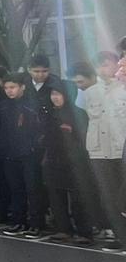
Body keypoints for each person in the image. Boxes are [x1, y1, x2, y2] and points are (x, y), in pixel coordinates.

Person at [77, 52, 126, 249]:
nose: (102, 70)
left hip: (121, 148)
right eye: (99, 66)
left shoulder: (123, 89)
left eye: (106, 65)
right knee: (109, 196)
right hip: (99, 150)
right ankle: (121, 237)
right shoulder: (89, 93)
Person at [43, 81, 96, 245]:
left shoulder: (79, 114)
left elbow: (83, 139)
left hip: (75, 163)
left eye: (59, 94)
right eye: (53, 94)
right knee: (56, 197)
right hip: (52, 160)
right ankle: (63, 229)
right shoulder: (48, 113)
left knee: (78, 199)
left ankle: (85, 232)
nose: (55, 97)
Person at [0, 74, 43, 236]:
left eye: (13, 87)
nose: (9, 91)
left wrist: (33, 147)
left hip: (29, 154)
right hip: (9, 154)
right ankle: (18, 221)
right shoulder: (2, 106)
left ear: (22, 87)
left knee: (33, 189)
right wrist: (1, 148)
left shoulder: (32, 105)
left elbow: (39, 130)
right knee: (16, 189)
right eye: (6, 88)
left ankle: (36, 223)